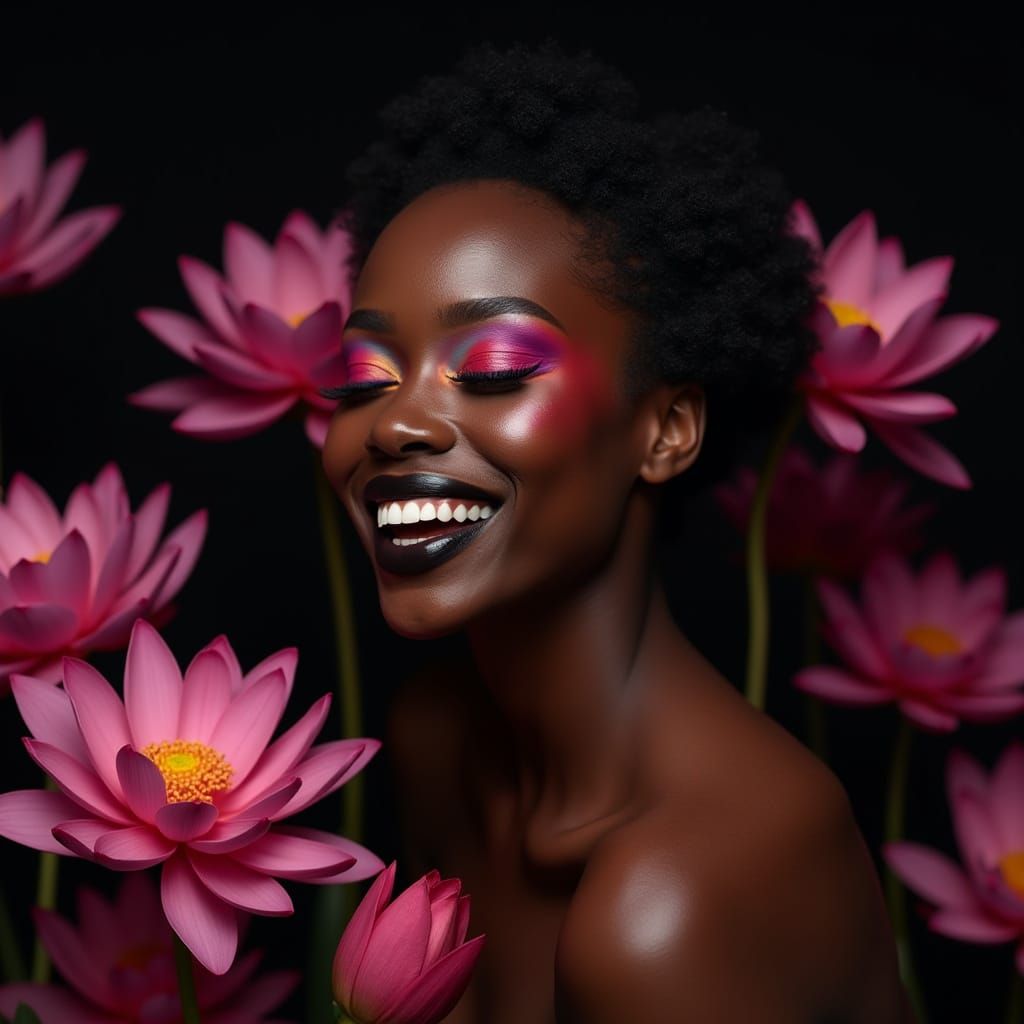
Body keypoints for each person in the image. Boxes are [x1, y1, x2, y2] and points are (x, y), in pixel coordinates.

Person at [321, 36, 913, 1023]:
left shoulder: (672, 902)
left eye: (496, 367)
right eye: (364, 378)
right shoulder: (436, 746)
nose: (394, 423)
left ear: (665, 430)